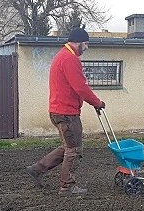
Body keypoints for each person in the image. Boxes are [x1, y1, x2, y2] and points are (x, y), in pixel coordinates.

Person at [26, 27, 105, 195]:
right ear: (78, 42)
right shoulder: (70, 59)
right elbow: (80, 87)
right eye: (86, 44)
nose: (87, 47)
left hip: (58, 110)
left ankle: (38, 169)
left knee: (68, 147)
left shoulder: (62, 56)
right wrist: (97, 102)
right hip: (66, 113)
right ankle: (67, 185)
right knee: (74, 150)